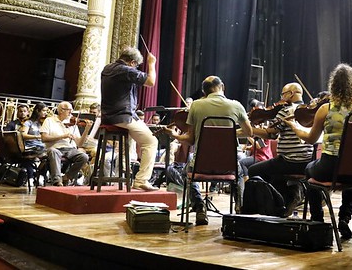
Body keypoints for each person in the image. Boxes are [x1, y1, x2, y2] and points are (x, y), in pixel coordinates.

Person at [285, 64, 352, 240]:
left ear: (332, 85)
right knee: (351, 170)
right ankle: (345, 217)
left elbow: (311, 139)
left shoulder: (326, 109)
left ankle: (318, 220)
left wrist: (295, 127)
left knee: (309, 170)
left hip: (331, 168)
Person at [167, 75, 252, 225]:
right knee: (239, 173)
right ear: (222, 86)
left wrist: (175, 135)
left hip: (201, 164)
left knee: (186, 171)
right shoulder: (236, 105)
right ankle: (240, 208)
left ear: (204, 92)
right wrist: (230, 130)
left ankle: (200, 207)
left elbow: (191, 139)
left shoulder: (196, 105)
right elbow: (249, 132)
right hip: (229, 166)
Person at [247, 82, 314, 215]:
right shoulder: (308, 111)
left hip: (288, 161)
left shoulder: (287, 110)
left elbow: (270, 134)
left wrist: (250, 130)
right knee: (274, 173)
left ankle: (271, 203)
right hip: (307, 162)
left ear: (291, 93)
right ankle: (288, 197)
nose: (281, 98)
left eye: (283, 94)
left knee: (253, 170)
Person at [100, 46, 159, 192]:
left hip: (109, 115)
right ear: (132, 62)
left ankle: (130, 174)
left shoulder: (108, 68)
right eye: (137, 65)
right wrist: (152, 63)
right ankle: (141, 180)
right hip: (121, 116)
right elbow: (151, 82)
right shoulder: (126, 70)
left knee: (136, 138)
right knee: (151, 141)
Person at [40, 101, 89, 186]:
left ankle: (67, 177)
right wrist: (62, 136)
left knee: (84, 156)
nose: (71, 112)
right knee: (53, 151)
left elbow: (79, 144)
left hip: (70, 149)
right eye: (68, 110)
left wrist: (86, 129)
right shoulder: (49, 120)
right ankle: (57, 181)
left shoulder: (72, 123)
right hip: (55, 148)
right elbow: (44, 138)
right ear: (60, 110)